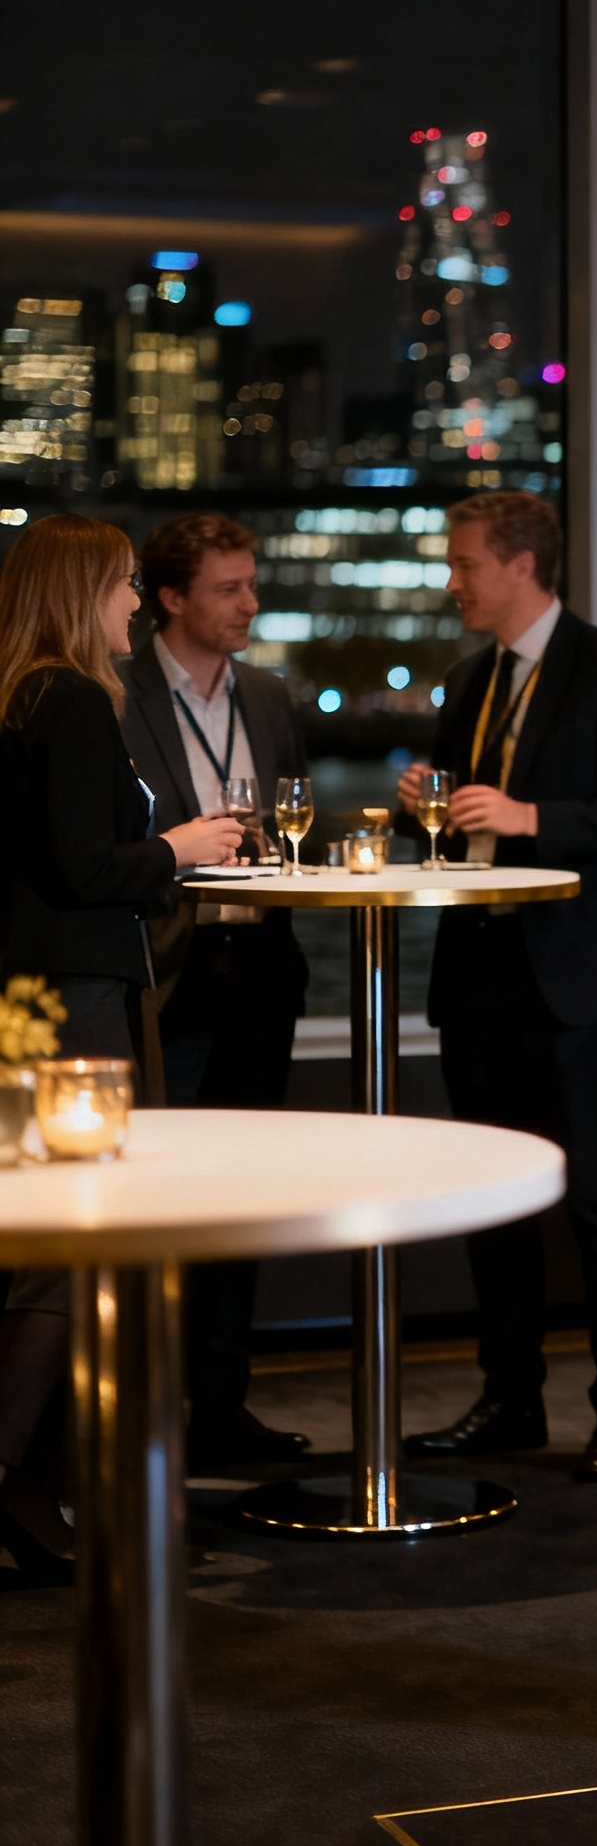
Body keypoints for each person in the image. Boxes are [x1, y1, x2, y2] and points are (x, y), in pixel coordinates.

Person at [397, 492, 597, 1485]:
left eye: (464, 562)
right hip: (480, 977)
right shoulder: (469, 679)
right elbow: (468, 833)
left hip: (581, 980)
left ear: (520, 564)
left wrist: (525, 816)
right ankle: (510, 1399)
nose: (453, 580)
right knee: (495, 1207)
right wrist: (425, 816)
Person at [0, 514, 243, 1580]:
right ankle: (13, 1476)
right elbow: (84, 867)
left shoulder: (16, 697)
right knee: (75, 1247)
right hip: (75, 1003)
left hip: (26, 1002)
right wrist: (177, 849)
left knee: (41, 1242)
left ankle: (34, 1490)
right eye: (124, 585)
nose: (136, 603)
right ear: (78, 592)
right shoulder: (72, 700)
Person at [122, 512, 313, 1473]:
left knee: (242, 1198)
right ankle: (144, 1415)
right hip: (168, 974)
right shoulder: (115, 694)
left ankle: (222, 1408)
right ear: (170, 599)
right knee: (160, 1202)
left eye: (250, 584)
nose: (249, 603)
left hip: (261, 971)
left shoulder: (271, 695)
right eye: (228, 589)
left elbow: (296, 819)